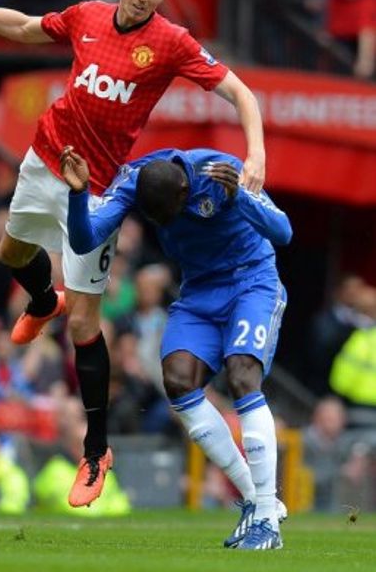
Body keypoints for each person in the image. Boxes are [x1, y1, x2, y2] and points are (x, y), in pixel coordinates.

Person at [0, 0, 266, 508]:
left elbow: (240, 91)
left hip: (97, 189)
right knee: (10, 254)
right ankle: (43, 301)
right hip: (44, 157)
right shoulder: (87, 16)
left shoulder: (170, 42)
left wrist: (256, 156)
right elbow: (24, 27)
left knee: (85, 326)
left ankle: (96, 452)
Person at [61, 145, 291, 550]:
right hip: (200, 292)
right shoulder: (134, 182)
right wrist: (78, 195)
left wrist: (242, 197)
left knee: (241, 375)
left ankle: (268, 520)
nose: (164, 222)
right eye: (156, 216)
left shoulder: (223, 172)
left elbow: (283, 232)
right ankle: (256, 502)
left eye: (168, 212)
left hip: (252, 281)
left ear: (185, 189)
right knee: (178, 380)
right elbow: (85, 241)